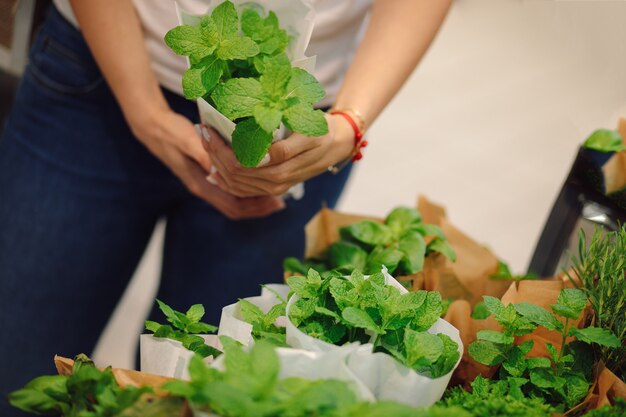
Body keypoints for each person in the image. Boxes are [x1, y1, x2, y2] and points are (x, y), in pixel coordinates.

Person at [0, 0, 451, 415]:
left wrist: (351, 120)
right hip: (95, 75)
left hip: (296, 125)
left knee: (206, 389)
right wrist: (145, 113)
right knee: (17, 363)